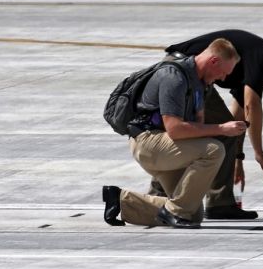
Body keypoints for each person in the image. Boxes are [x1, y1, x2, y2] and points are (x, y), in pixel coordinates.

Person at [161, 29, 263, 220]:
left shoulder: (262, 61)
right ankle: (219, 203)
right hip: (183, 72)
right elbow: (252, 105)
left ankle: (160, 192)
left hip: (179, 69)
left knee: (218, 131)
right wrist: (259, 153)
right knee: (218, 132)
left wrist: (237, 161)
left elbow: (238, 117)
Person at [103, 38, 248, 228]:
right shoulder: (174, 77)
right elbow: (175, 129)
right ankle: (174, 211)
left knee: (192, 213)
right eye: (223, 72)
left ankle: (121, 202)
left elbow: (196, 127)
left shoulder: (199, 83)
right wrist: (221, 129)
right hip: (148, 142)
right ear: (213, 61)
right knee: (215, 150)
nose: (223, 78)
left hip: (165, 146)